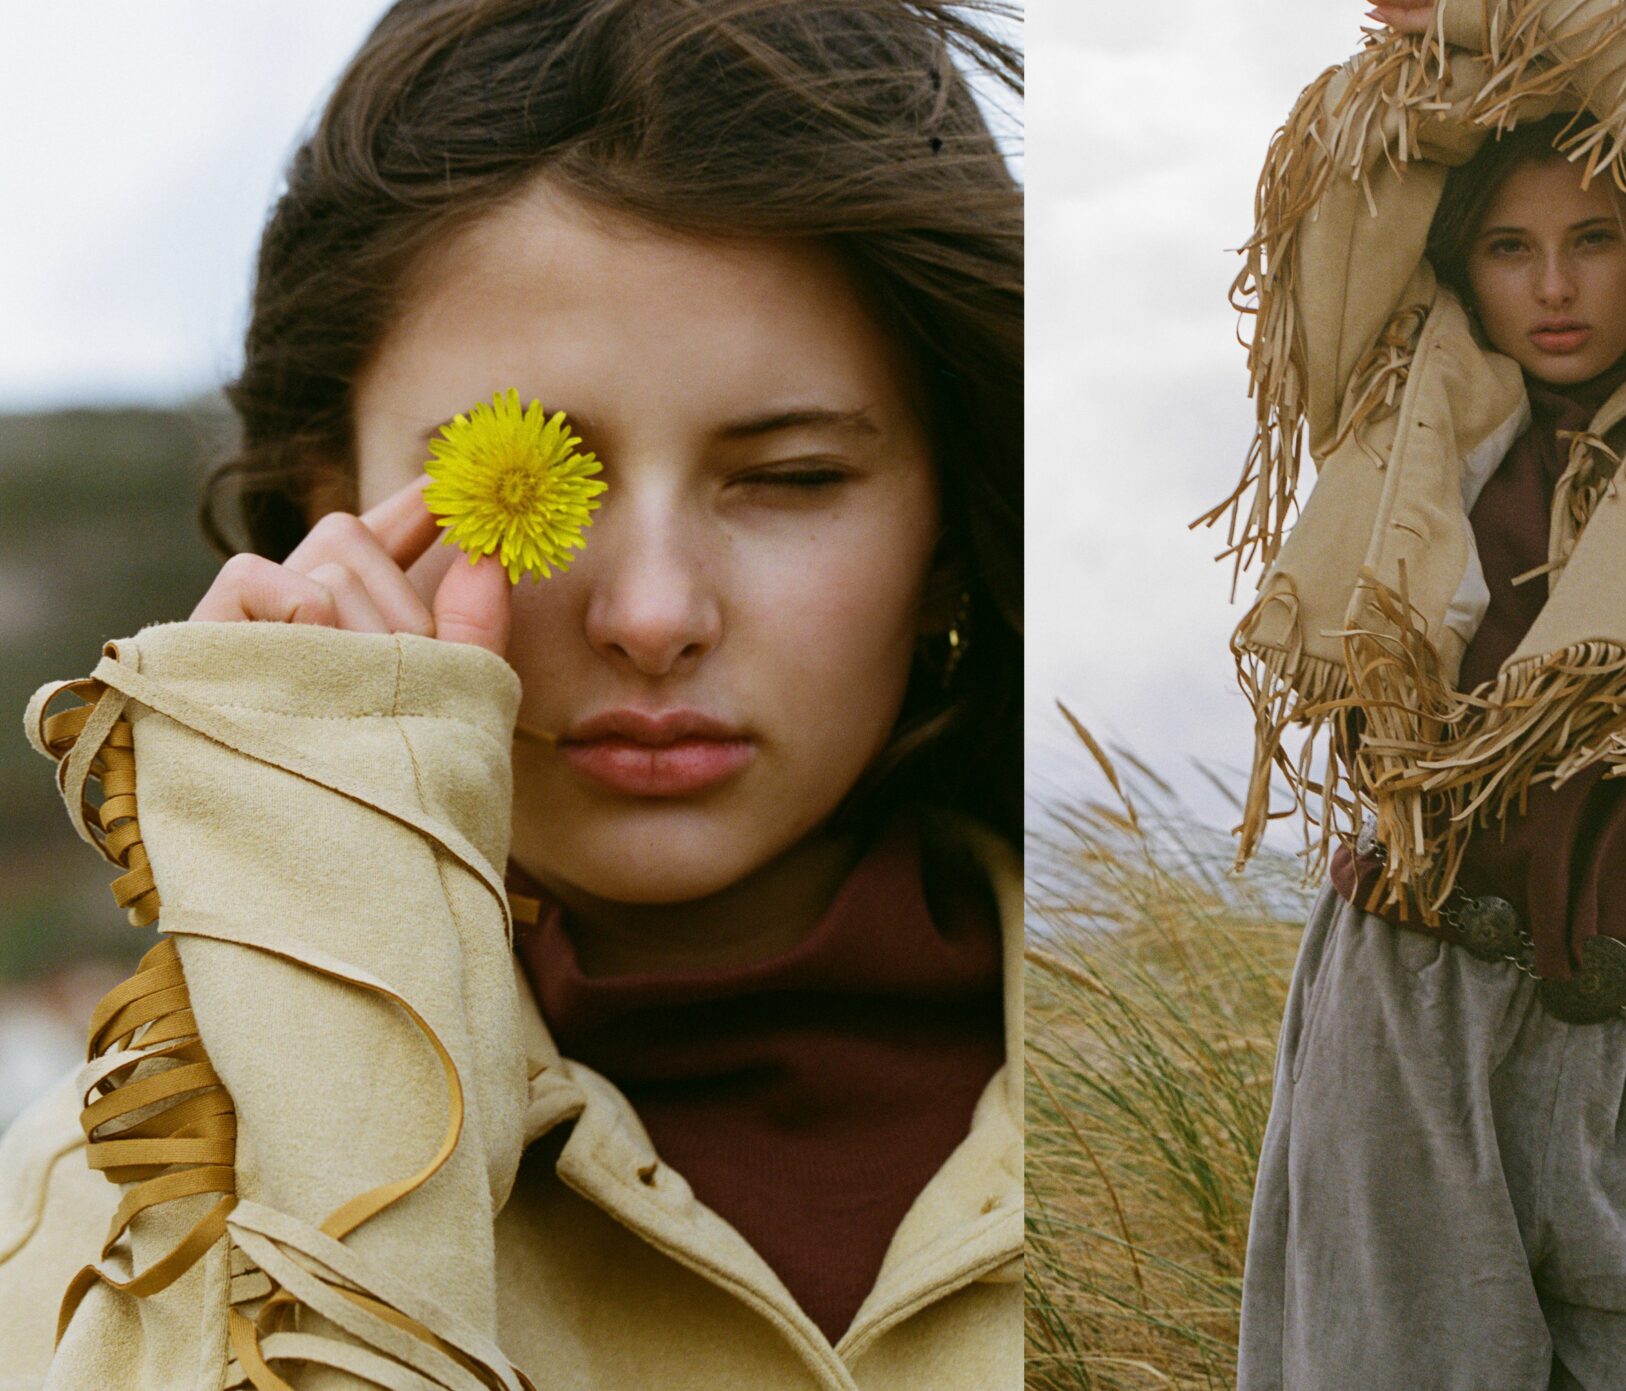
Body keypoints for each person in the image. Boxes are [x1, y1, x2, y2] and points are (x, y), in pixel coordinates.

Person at [0, 2, 1022, 1388]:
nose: (655, 613)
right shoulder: (106, 1192)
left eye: (791, 478)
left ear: (949, 536)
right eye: (519, 479)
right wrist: (345, 1050)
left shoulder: (1223, 1085)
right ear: (332, 507)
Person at [1210, 0, 1626, 1386]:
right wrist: (1466, 28)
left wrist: (1557, 11)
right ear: (1468, 267)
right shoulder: (1395, 422)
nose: (1554, 286)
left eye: (1595, 240)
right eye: (1510, 248)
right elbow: (1363, 146)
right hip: (1415, 1012)